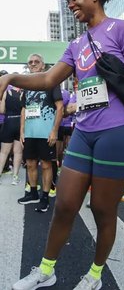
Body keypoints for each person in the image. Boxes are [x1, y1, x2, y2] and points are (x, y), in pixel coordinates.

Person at [7, 0, 124, 290]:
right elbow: (47, 78)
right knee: (64, 205)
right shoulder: (76, 44)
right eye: (69, 1)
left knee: (103, 209)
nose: (71, 4)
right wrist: (11, 77)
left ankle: (96, 274)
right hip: (84, 133)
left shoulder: (121, 30)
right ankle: (47, 270)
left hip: (117, 133)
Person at [17, 54, 63, 213]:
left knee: (46, 165)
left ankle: (45, 197)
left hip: (46, 133)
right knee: (30, 163)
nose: (33, 64)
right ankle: (34, 193)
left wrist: (54, 131)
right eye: (30, 62)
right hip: (30, 133)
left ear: (43, 65)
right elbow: (23, 109)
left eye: (36, 62)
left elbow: (60, 107)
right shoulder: (26, 86)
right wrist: (22, 131)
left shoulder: (51, 82)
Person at [0, 83, 23, 185]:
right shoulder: (23, 93)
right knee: (18, 152)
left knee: (4, 152)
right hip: (20, 123)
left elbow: (2, 110)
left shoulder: (6, 92)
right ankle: (15, 177)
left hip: (8, 122)